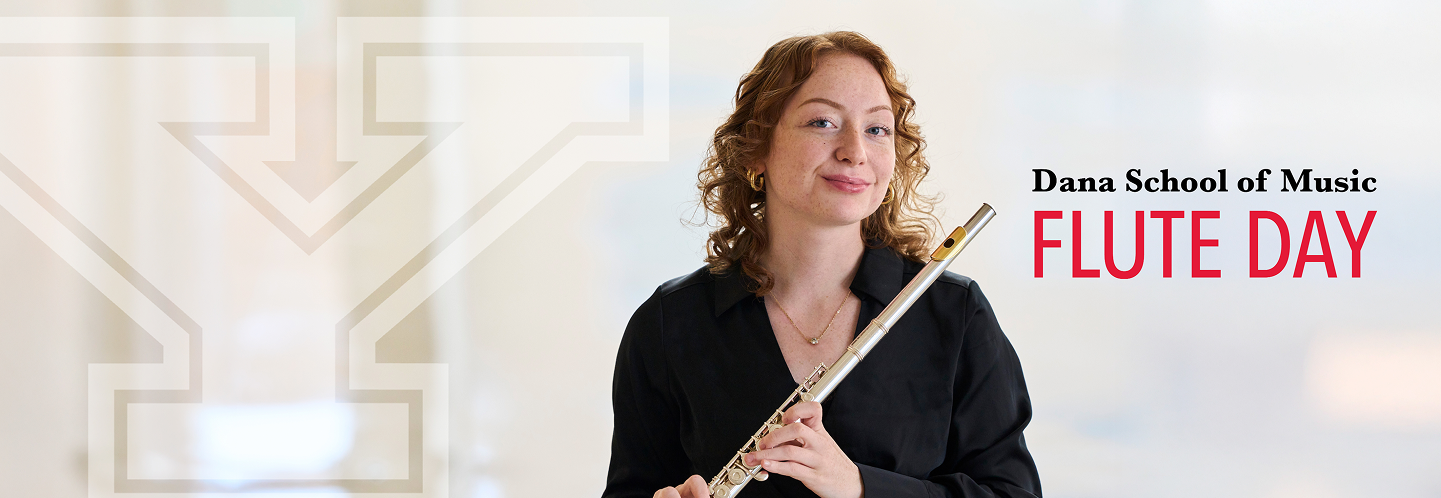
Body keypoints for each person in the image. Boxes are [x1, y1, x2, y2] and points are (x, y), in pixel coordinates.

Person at [603, 32, 1040, 498]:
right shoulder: (672, 323)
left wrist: (857, 486)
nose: (855, 150)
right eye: (822, 122)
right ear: (756, 148)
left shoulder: (953, 313)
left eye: (877, 129)